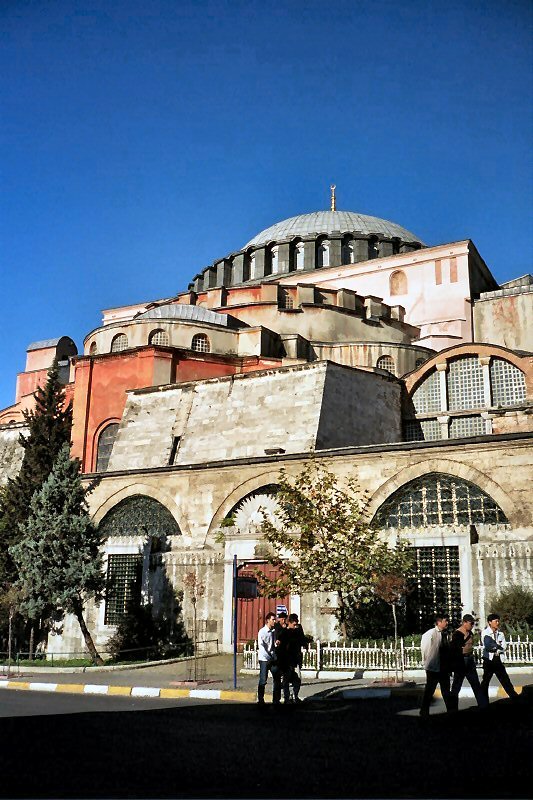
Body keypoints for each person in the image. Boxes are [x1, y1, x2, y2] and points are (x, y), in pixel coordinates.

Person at [449, 614, 488, 710]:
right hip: (461, 661)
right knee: (456, 686)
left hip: (469, 660)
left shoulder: (470, 632)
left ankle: (483, 705)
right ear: (464, 622)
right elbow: (454, 649)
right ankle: (452, 709)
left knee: (475, 684)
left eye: (473, 623)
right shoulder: (458, 634)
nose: (472, 625)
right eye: (471, 623)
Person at [419, 614, 453, 716]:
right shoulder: (430, 634)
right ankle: (424, 711)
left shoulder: (445, 634)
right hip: (433, 668)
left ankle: (450, 711)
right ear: (439, 622)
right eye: (445, 621)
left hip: (444, 668)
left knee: (446, 691)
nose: (447, 623)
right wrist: (428, 663)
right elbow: (425, 650)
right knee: (430, 691)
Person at [480, 613, 519, 701]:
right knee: (485, 681)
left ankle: (514, 697)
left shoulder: (500, 634)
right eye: (495, 621)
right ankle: (483, 701)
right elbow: (488, 646)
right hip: (489, 660)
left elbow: (504, 647)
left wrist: (497, 648)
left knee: (505, 679)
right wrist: (497, 646)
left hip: (497, 659)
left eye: (498, 621)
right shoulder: (485, 633)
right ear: (490, 622)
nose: (497, 623)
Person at [276, 613, 307, 703]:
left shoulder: (298, 632)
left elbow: (303, 641)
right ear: (289, 623)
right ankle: (286, 697)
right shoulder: (284, 633)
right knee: (286, 680)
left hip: (296, 660)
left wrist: (305, 644)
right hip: (287, 661)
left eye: (296, 624)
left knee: (297, 679)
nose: (295, 626)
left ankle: (295, 696)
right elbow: (280, 647)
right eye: (294, 624)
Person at [257, 612, 281, 704]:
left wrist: (276, 643)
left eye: (275, 619)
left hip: (272, 657)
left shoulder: (273, 631)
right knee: (263, 680)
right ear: (268, 620)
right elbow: (261, 646)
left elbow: (272, 644)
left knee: (277, 678)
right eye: (273, 619)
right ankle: (260, 699)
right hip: (264, 659)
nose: (274, 621)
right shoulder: (262, 632)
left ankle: (276, 699)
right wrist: (269, 657)